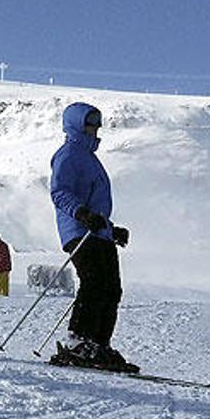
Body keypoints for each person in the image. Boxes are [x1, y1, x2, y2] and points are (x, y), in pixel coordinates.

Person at [48, 102, 138, 373]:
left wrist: (112, 230)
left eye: (98, 123)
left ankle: (99, 344)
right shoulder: (68, 154)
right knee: (95, 282)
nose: (95, 128)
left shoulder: (90, 157)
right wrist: (83, 214)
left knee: (112, 288)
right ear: (76, 124)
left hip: (99, 233)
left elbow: (97, 206)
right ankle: (78, 342)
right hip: (79, 230)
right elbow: (59, 192)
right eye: (90, 123)